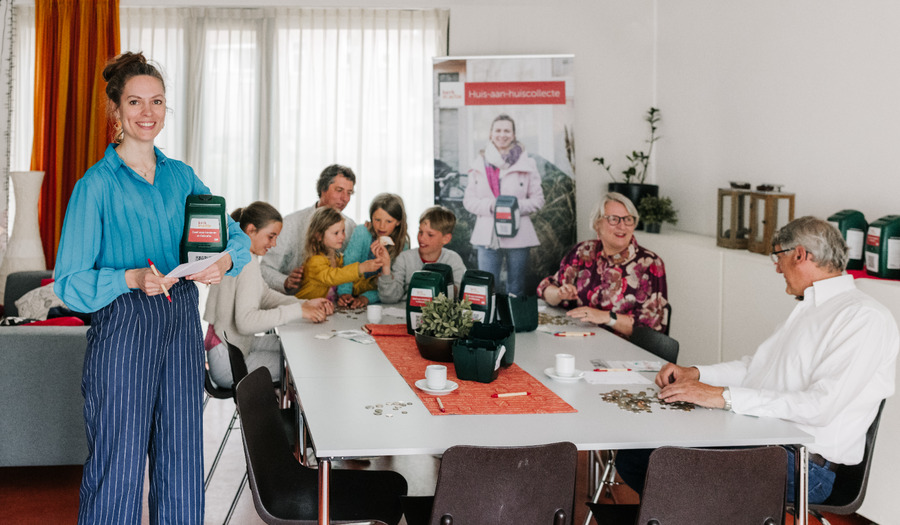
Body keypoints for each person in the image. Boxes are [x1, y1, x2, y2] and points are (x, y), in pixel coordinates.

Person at [53, 52, 251, 524]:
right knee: (118, 468)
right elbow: (69, 283)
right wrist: (129, 278)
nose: (148, 112)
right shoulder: (95, 186)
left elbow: (237, 237)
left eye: (157, 101)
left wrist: (222, 260)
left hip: (181, 326)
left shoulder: (182, 177)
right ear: (116, 111)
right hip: (123, 334)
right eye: (136, 102)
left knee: (182, 462)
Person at [617, 216, 899, 504]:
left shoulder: (864, 318)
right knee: (636, 455)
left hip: (805, 466)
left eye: (778, 257)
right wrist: (697, 374)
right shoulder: (809, 308)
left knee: (659, 463)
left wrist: (721, 397)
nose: (776, 268)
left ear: (800, 254)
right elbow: (755, 368)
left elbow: (820, 407)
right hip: (764, 440)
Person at [204, 201, 334, 388]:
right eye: (271, 236)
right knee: (299, 362)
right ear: (251, 230)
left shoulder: (241, 256)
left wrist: (305, 304)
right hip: (228, 361)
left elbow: (264, 295)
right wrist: (299, 311)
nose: (273, 244)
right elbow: (247, 321)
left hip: (231, 346)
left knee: (293, 348)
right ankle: (281, 416)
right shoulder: (245, 262)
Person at [537, 192, 667, 337]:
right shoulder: (583, 251)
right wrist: (559, 293)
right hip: (579, 340)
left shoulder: (650, 264)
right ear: (597, 224)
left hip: (625, 351)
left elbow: (651, 327)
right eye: (614, 219)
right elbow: (545, 289)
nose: (622, 226)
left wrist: (606, 317)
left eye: (628, 219)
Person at [464, 114, 544, 296]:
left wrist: (511, 208)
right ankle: (489, 323)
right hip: (487, 235)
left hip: (519, 234)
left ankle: (514, 324)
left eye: (507, 130)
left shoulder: (527, 163)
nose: (502, 134)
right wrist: (493, 206)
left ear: (514, 134)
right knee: (486, 287)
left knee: (516, 287)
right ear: (491, 134)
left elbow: (538, 200)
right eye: (498, 130)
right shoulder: (479, 164)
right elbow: (469, 201)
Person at [260, 164, 358, 294]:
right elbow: (265, 268)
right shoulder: (290, 224)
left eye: (349, 193)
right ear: (323, 189)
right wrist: (285, 281)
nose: (345, 198)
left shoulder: (351, 227)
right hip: (293, 302)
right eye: (339, 190)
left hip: (333, 305)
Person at [378, 205, 467, 304]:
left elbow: (460, 295)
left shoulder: (453, 260)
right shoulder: (404, 258)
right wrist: (386, 267)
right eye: (420, 232)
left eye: (430, 234)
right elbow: (389, 299)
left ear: (446, 238)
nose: (422, 238)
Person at [295, 206, 385, 301]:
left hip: (325, 311)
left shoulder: (339, 259)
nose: (342, 237)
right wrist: (361, 268)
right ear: (319, 236)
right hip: (303, 309)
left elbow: (352, 283)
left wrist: (374, 283)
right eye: (336, 233)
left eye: (343, 231)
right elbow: (332, 277)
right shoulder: (314, 261)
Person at [336, 193, 410, 308]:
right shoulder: (361, 232)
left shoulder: (402, 245)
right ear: (371, 218)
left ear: (398, 222)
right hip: (349, 294)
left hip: (377, 303)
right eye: (377, 219)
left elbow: (393, 286)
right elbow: (348, 264)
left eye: (388, 221)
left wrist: (366, 298)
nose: (382, 226)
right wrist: (344, 293)